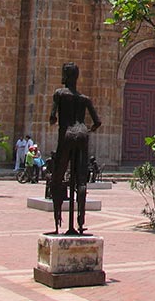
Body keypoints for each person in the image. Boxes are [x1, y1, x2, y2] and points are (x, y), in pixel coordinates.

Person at [49, 62, 102, 234]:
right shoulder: (85, 99)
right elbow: (97, 122)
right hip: (82, 133)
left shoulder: (59, 94)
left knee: (58, 176)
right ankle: (80, 221)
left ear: (65, 75)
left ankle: (58, 219)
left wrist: (54, 121)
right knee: (81, 179)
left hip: (67, 135)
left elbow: (52, 117)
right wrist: (90, 130)